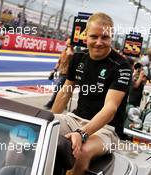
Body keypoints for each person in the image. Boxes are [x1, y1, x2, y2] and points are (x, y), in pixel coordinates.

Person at [51, 12, 132, 175]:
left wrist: (82, 134)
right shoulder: (78, 58)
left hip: (108, 130)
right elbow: (65, 93)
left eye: (105, 37)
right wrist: (48, 120)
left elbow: (111, 108)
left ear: (112, 37)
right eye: (94, 36)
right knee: (30, 132)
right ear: (85, 36)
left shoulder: (122, 65)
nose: (99, 42)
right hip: (74, 119)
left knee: (80, 152)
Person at [44, 38, 74, 109]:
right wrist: (54, 70)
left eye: (68, 41)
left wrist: (70, 47)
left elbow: (70, 54)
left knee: (58, 88)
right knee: (62, 89)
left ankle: (51, 103)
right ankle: (64, 104)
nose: (66, 42)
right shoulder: (64, 51)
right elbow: (59, 62)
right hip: (61, 72)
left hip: (67, 74)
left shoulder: (72, 52)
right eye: (67, 41)